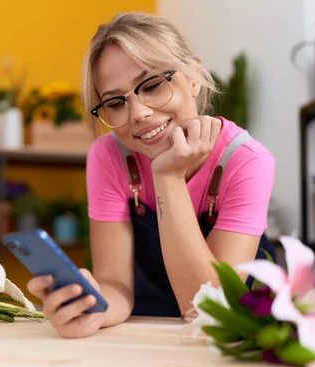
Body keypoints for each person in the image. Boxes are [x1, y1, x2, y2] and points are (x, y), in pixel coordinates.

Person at [27, 12, 276, 339]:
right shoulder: (110, 156)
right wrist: (93, 307)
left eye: (154, 85)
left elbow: (207, 310)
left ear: (194, 77)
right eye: (115, 102)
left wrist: (168, 177)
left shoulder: (245, 161)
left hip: (238, 340)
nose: (139, 113)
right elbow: (115, 283)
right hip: (149, 332)